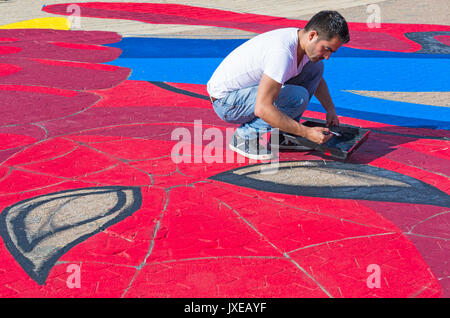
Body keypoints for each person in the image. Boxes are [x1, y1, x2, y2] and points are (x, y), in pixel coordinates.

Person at [207, 10, 350, 160]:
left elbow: (317, 79)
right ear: (312, 35)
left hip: (242, 94)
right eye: (327, 49)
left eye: (331, 52)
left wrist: (330, 109)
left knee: (316, 67)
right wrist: (306, 132)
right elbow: (263, 108)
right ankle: (244, 138)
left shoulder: (302, 41)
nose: (327, 56)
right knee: (297, 98)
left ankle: (285, 135)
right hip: (226, 103)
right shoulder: (282, 53)